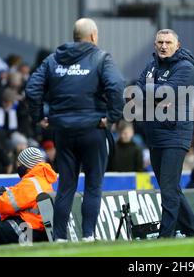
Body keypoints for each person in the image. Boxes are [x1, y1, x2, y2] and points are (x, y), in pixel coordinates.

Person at [25, 18, 125, 242]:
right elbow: (117, 86)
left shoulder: (53, 60)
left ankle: (60, 238)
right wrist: (112, 117)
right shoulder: (101, 58)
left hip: (64, 132)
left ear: (75, 36)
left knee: (66, 185)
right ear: (93, 36)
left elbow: (32, 88)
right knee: (93, 184)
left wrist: (38, 115)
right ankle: (88, 236)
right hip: (93, 129)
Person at [136, 29, 194, 238]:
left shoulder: (185, 67)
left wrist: (152, 92)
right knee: (170, 187)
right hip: (154, 134)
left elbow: (164, 93)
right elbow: (134, 90)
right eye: (160, 42)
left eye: (168, 43)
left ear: (177, 46)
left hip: (175, 133)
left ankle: (166, 236)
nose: (163, 46)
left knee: (168, 188)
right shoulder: (151, 65)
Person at [0, 147, 58, 246]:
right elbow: (19, 192)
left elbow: (5, 206)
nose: (18, 166)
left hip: (31, 230)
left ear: (28, 165)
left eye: (20, 164)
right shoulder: (41, 179)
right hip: (38, 229)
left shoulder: (31, 183)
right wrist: (1, 191)